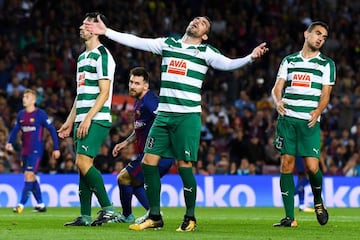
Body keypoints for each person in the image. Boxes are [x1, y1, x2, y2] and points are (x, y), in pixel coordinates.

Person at [85, 15, 268, 231]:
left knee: (184, 167)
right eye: (196, 19)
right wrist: (107, 32)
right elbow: (137, 41)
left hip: (187, 117)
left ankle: (190, 217)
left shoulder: (205, 52)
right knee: (147, 163)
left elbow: (228, 64)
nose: (197, 21)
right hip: (164, 115)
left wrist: (250, 58)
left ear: (205, 35)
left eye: (203, 23)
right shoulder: (168, 44)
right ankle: (154, 216)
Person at [58, 12, 119, 227]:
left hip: (97, 118)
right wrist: (69, 120)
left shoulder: (103, 55)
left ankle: (109, 209)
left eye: (85, 25)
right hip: (81, 119)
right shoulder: (82, 57)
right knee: (83, 166)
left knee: (82, 162)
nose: (80, 28)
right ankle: (85, 216)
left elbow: (104, 92)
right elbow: (80, 94)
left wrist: (87, 119)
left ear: (95, 29)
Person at [272, 21, 335, 227]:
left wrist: (318, 111)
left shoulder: (326, 64)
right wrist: (278, 101)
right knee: (286, 164)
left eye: (324, 37)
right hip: (288, 120)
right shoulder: (289, 60)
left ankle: (318, 200)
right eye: (317, 34)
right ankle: (290, 217)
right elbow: (277, 87)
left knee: (311, 166)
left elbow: (326, 94)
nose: (320, 39)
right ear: (306, 34)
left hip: (309, 122)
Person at [111, 67, 174, 224]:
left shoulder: (150, 101)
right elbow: (140, 127)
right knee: (136, 183)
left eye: (137, 83)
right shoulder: (140, 102)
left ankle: (129, 215)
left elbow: (166, 118)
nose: (132, 86)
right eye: (131, 82)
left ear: (145, 86)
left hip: (158, 155)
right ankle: (153, 214)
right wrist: (125, 142)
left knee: (123, 178)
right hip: (150, 154)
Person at [6, 89, 60, 213]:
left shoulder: (40, 114)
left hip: (36, 150)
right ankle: (40, 204)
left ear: (34, 100)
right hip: (24, 151)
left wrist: (56, 148)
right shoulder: (21, 114)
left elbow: (51, 129)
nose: (24, 99)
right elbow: (15, 129)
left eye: (27, 97)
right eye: (24, 96)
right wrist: (9, 142)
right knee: (31, 177)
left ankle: (21, 204)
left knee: (28, 175)